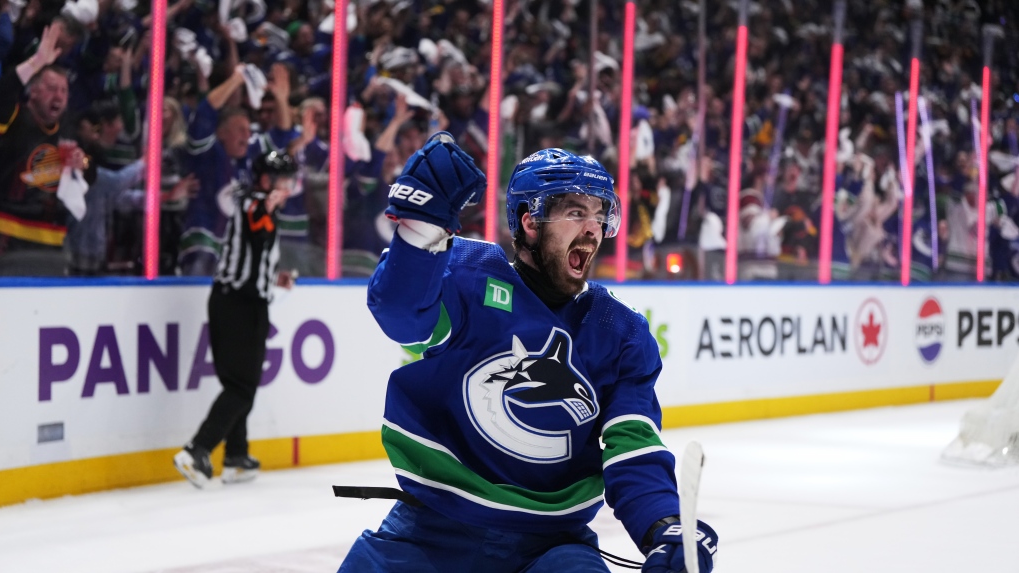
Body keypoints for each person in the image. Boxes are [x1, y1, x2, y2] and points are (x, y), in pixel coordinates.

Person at [337, 135, 718, 572]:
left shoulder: (621, 332)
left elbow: (631, 448)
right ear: (530, 221)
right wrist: (419, 231)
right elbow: (401, 314)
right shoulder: (467, 276)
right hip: (430, 532)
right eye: (576, 212)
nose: (592, 228)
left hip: (552, 548)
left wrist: (664, 525)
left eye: (600, 214)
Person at [173, 150, 298, 488]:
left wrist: (274, 278)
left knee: (241, 383)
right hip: (239, 306)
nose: (287, 186)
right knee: (242, 386)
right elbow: (257, 222)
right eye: (282, 180)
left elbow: (253, 250)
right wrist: (267, 204)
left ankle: (236, 455)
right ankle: (197, 449)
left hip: (240, 302)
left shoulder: (259, 206)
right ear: (265, 180)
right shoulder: (254, 205)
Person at [0, 24, 93, 275]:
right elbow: (4, 93)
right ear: (33, 91)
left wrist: (81, 163)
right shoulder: (15, 118)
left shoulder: (68, 127)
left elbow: (90, 172)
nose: (59, 96)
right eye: (52, 89)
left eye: (64, 90)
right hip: (8, 234)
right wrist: (37, 62)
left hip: (52, 239)